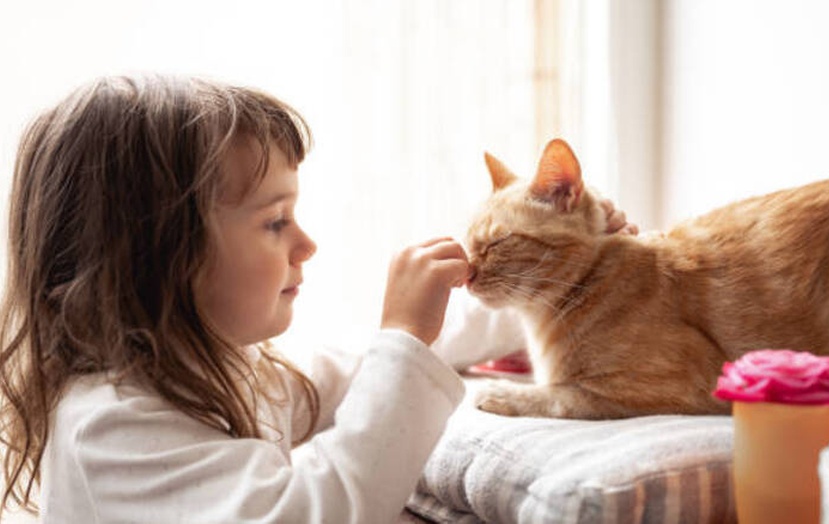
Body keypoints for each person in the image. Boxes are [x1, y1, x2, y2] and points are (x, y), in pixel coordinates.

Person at [0, 74, 634, 523]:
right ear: (158, 258)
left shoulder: (207, 370)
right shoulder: (112, 426)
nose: (307, 243)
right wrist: (403, 341)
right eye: (276, 222)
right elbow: (319, 513)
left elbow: (346, 372)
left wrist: (558, 291)